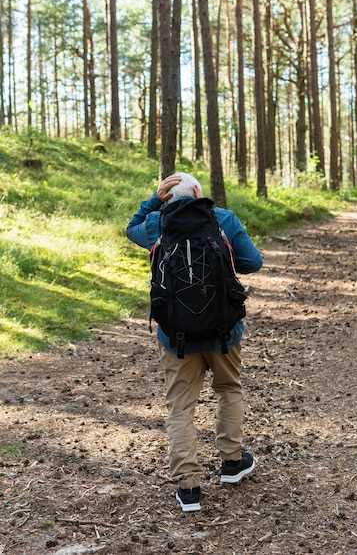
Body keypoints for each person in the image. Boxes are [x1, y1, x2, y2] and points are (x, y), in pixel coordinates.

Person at [126, 173, 263, 512]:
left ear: (167, 198)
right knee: (228, 389)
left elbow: (131, 228)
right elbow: (253, 263)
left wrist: (153, 201)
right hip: (224, 331)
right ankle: (232, 462)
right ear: (198, 192)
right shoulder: (222, 219)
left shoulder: (157, 222)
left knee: (180, 407)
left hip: (176, 337)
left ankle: (188, 487)